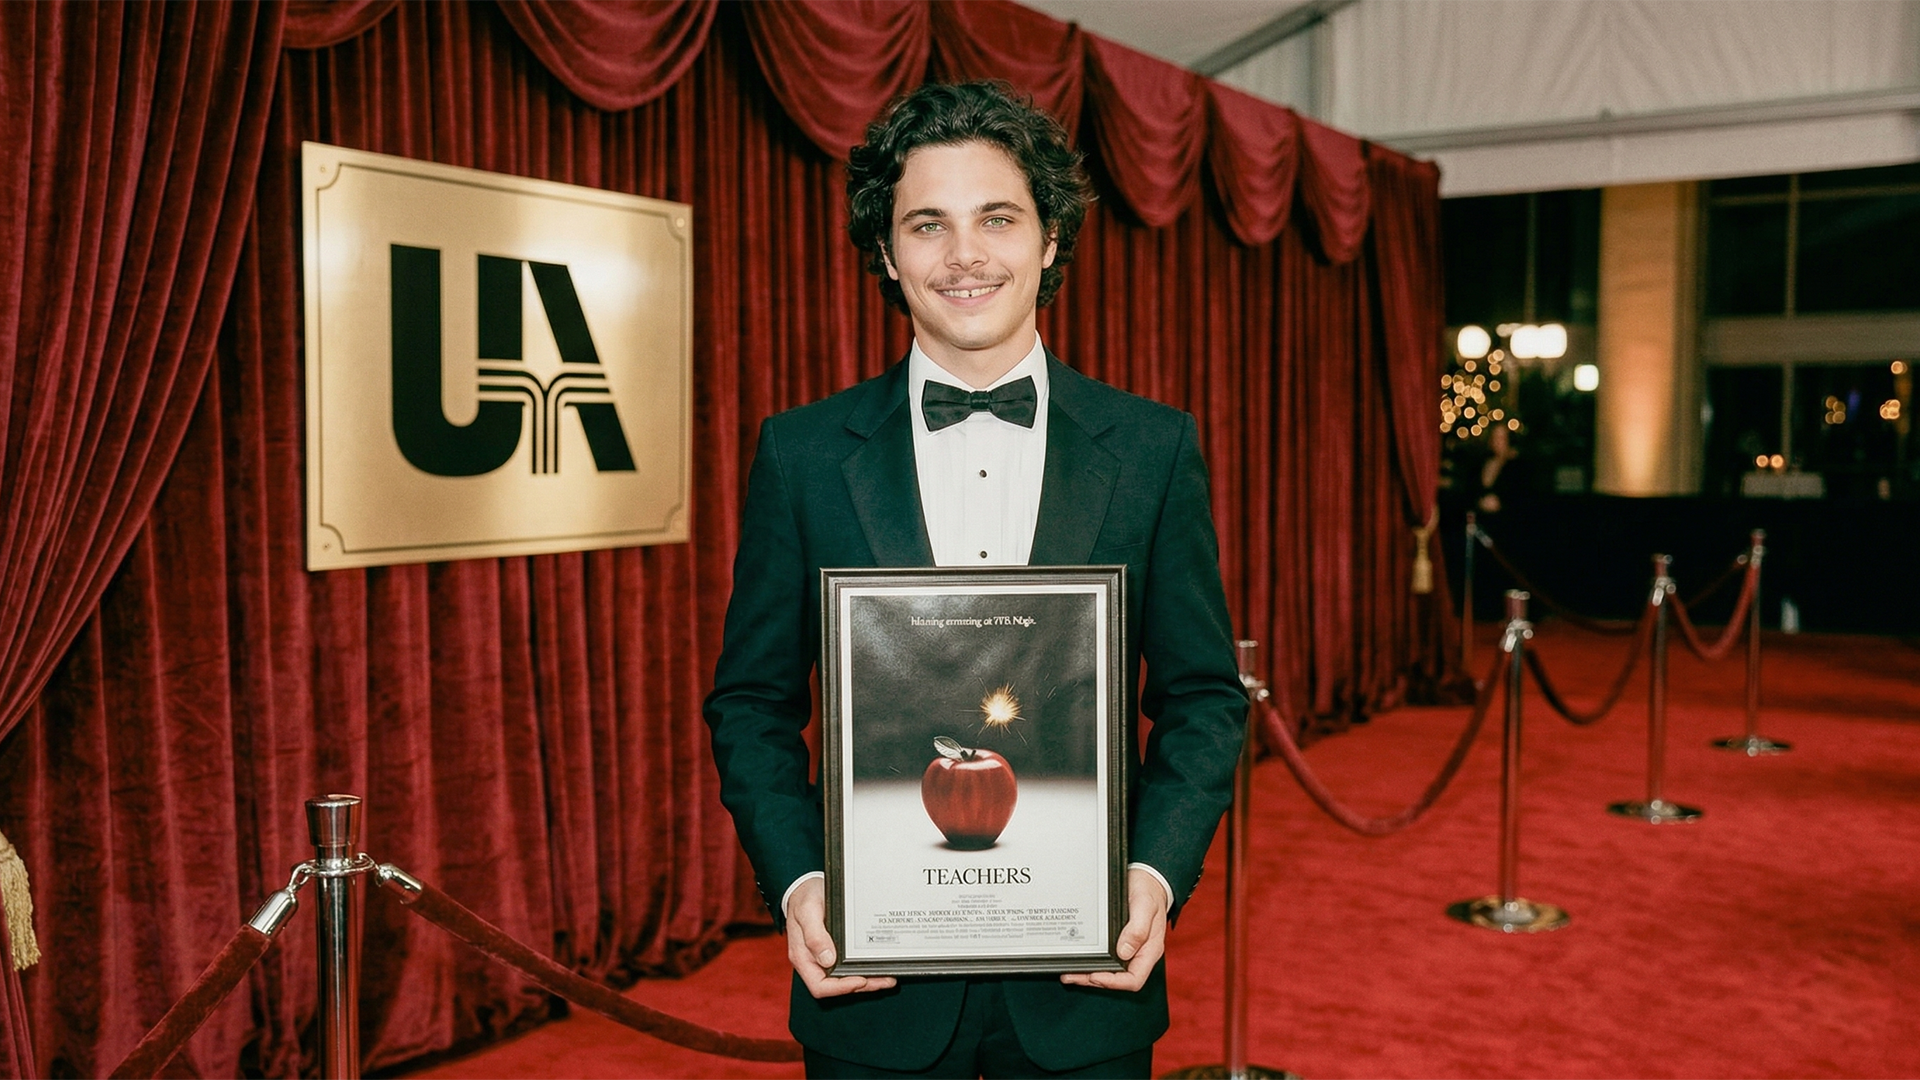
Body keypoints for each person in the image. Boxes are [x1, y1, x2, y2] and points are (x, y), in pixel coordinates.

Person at [703, 81, 1246, 1079]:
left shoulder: (1154, 449)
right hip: (874, 995)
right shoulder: (803, 454)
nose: (965, 256)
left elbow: (1205, 699)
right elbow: (751, 704)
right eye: (927, 224)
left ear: (1049, 241)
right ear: (886, 252)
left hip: (1089, 994)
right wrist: (801, 885)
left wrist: (1154, 877)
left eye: (998, 218)